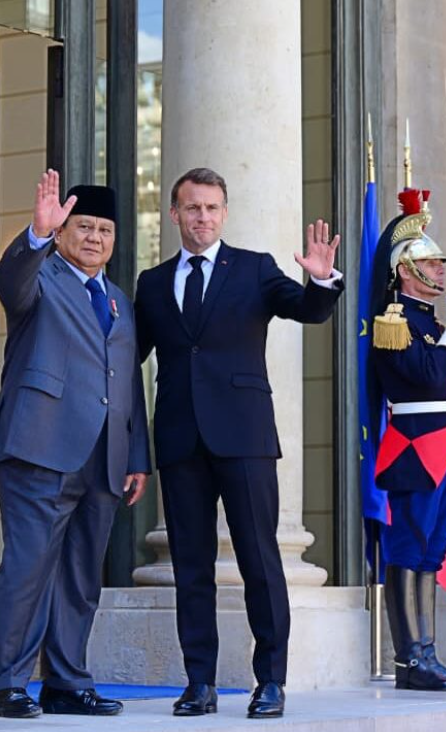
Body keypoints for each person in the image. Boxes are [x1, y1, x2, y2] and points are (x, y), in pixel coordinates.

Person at [133, 167, 342, 719]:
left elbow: (308, 310)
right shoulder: (152, 284)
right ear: (174, 214)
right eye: (192, 207)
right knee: (191, 566)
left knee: (259, 558)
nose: (202, 217)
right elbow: (126, 361)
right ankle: (198, 682)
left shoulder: (253, 269)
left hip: (245, 438)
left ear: (224, 214)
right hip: (180, 440)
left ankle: (270, 681)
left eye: (212, 208)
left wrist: (321, 281)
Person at [0, 170, 151, 718]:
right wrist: (34, 235)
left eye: (105, 230)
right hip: (39, 447)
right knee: (28, 568)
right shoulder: (40, 279)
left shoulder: (120, 301)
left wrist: (138, 458)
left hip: (104, 459)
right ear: (61, 232)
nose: (95, 238)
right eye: (83, 227)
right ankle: (7, 682)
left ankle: (66, 680)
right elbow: (11, 281)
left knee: (81, 578)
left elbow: (127, 384)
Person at [367, 185, 446, 691]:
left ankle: (427, 653)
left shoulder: (428, 321)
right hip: (415, 445)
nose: (440, 272)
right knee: (408, 547)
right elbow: (427, 373)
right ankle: (408, 658)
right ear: (407, 271)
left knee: (433, 550)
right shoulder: (395, 321)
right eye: (431, 265)